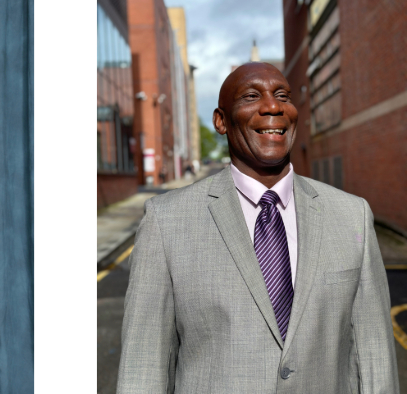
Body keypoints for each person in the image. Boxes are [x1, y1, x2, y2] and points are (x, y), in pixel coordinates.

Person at [117, 62, 398, 393]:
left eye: (282, 96)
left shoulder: (353, 215)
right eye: (252, 95)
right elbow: (143, 367)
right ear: (221, 121)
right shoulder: (165, 221)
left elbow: (375, 359)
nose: (273, 106)